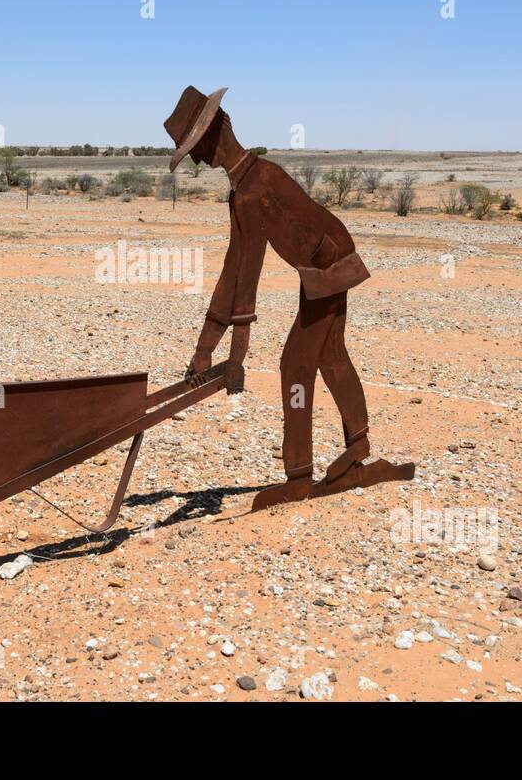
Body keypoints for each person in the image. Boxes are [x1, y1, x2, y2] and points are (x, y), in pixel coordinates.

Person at [164, 85, 413, 508]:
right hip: (323, 264)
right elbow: (234, 268)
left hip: (328, 266)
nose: (198, 158)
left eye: (197, 144)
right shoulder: (245, 186)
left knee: (295, 363)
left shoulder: (256, 186)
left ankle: (300, 477)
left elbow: (247, 279)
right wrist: (205, 351)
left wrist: (235, 356)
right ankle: (358, 451)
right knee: (331, 355)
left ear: (219, 129)